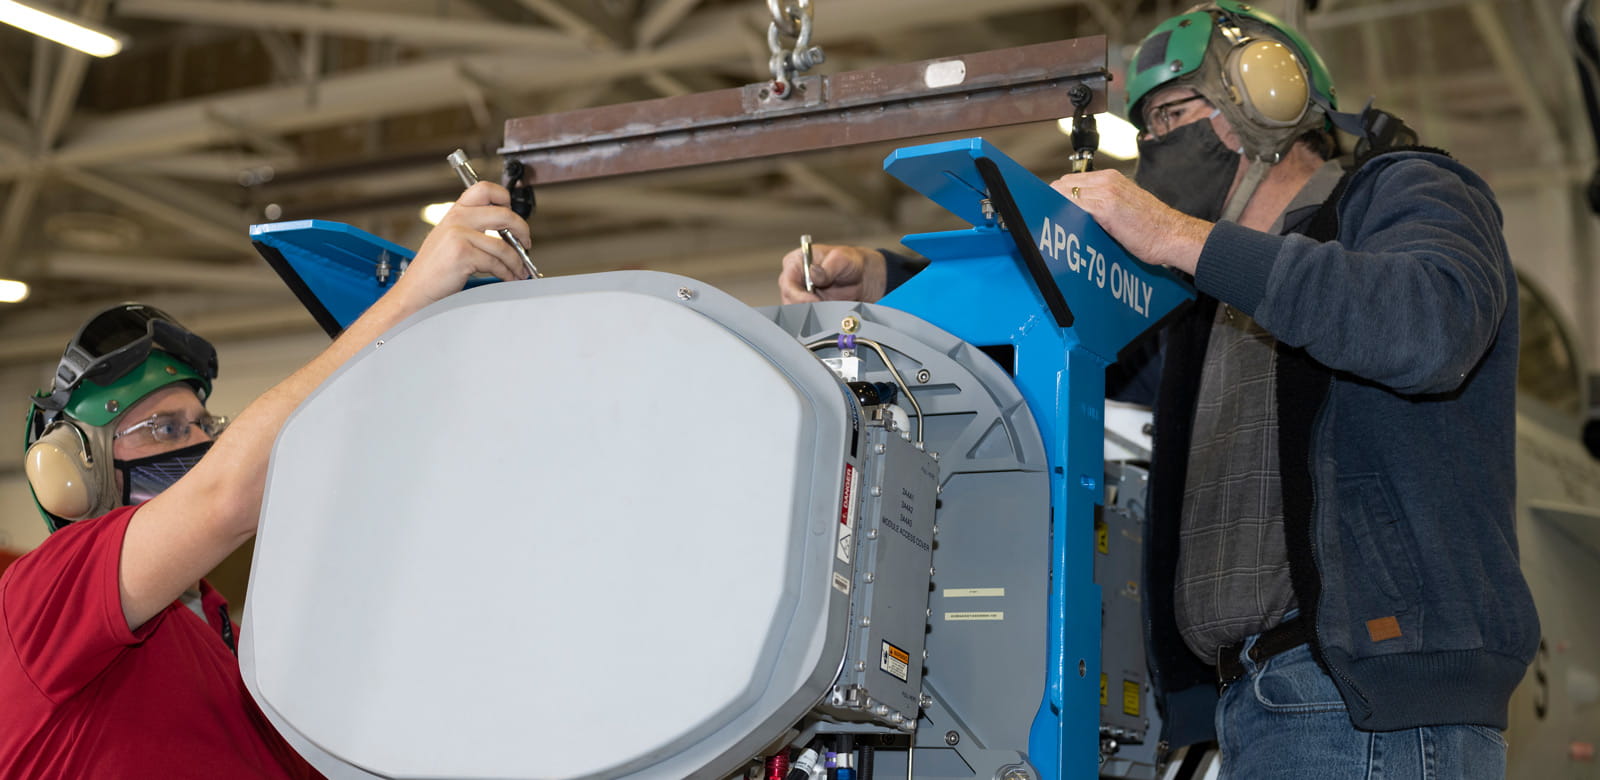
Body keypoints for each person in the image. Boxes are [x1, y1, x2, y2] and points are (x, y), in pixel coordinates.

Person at [778, 2, 1538, 777]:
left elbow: (1428, 326)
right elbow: (1070, 343)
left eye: (1170, 114)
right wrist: (885, 287)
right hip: (1254, 703)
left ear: (1259, 100)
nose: (1151, 147)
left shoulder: (1405, 190)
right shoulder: (1210, 310)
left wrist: (1176, 236)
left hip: (1361, 696)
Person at [0, 180, 533, 779]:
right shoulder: (44, 597)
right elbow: (227, 495)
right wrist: (410, 297)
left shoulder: (236, 644)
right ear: (75, 469)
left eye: (203, 424)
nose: (199, 443)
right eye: (165, 428)